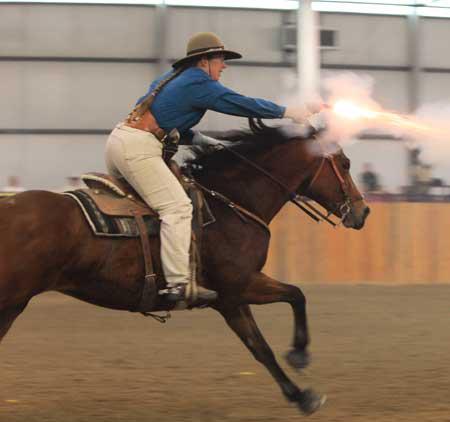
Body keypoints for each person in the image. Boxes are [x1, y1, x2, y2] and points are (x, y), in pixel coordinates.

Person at [105, 31, 322, 304]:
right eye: (220, 59)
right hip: (139, 149)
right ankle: (177, 284)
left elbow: (172, 126)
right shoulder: (199, 82)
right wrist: (291, 111)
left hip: (119, 144)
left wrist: (206, 141)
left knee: (155, 208)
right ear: (204, 61)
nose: (224, 65)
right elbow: (240, 103)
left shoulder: (170, 80)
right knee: (177, 208)